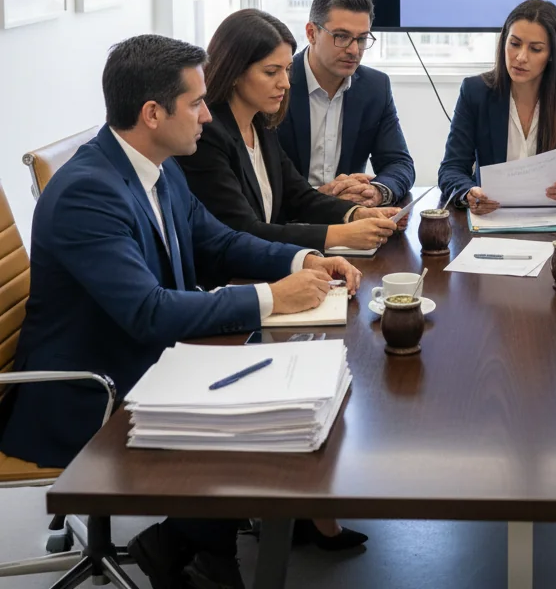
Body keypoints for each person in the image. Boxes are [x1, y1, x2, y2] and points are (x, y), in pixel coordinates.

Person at [0, 34, 363, 589]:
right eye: (195, 102)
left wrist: (304, 258)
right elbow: (148, 312)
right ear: (152, 113)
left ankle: (190, 545)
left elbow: (218, 242)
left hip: (142, 359)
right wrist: (272, 298)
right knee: (254, 411)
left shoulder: (157, 163)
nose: (206, 114)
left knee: (281, 390)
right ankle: (188, 552)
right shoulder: (88, 194)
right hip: (86, 390)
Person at [178, 9, 404, 257]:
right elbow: (243, 230)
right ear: (234, 73)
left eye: (286, 70)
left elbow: (299, 195)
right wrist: (341, 234)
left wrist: (358, 213)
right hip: (228, 280)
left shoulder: (261, 124)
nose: (285, 83)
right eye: (271, 72)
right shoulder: (207, 135)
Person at [438, 0, 556, 213]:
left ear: (552, 54)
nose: (521, 57)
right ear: (504, 42)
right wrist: (468, 192)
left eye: (535, 49)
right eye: (514, 44)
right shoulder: (475, 91)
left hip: (553, 218)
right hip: (490, 215)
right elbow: (451, 168)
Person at [277, 0, 415, 206]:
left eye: (362, 39)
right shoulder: (279, 83)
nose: (354, 50)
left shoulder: (375, 87)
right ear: (312, 33)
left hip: (350, 215)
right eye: (341, 36)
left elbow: (399, 163)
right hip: (288, 219)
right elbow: (260, 178)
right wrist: (319, 198)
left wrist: (376, 192)